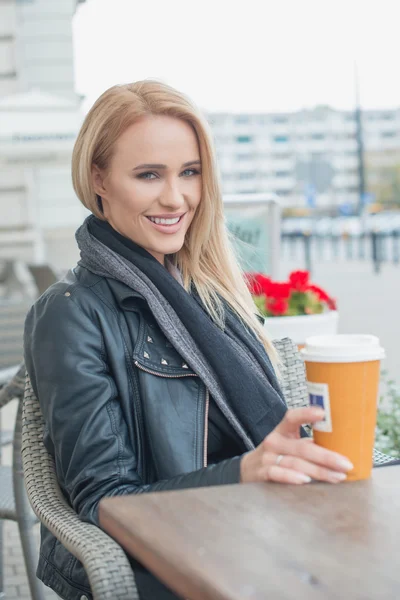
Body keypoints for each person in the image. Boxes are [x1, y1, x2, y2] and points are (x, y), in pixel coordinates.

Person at [24, 80, 353, 600]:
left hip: (264, 530)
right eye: (148, 174)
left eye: (190, 172)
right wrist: (245, 472)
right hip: (177, 564)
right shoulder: (70, 314)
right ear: (98, 179)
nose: (176, 197)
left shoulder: (208, 293)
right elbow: (105, 501)